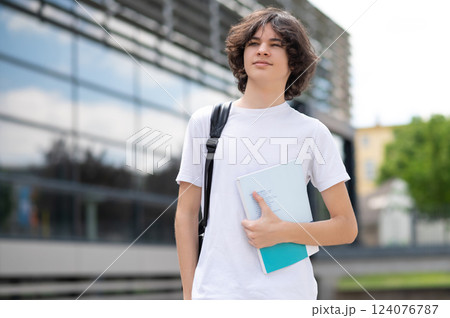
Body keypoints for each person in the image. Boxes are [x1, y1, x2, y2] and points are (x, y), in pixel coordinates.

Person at [174, 7, 357, 300]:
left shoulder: (312, 133)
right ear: (242, 55)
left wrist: (283, 231)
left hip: (288, 296)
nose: (262, 51)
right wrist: (189, 299)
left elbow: (346, 227)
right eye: (254, 43)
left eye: (276, 45)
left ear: (293, 63)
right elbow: (185, 214)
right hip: (216, 295)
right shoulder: (207, 123)